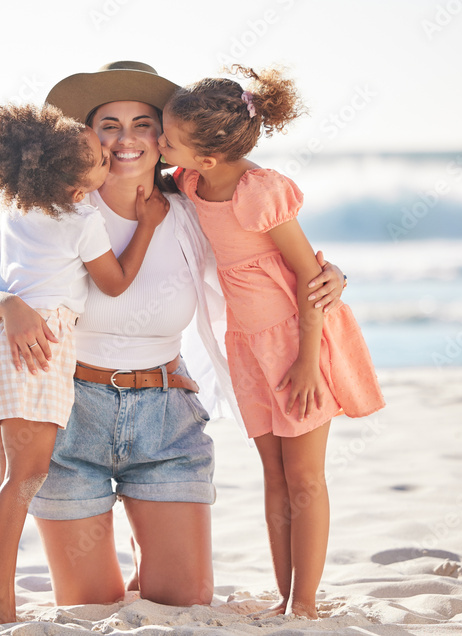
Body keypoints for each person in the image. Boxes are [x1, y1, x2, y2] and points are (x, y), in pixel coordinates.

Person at [0, 62, 347, 612]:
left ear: (166, 138)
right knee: (89, 607)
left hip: (165, 422)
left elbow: (265, 250)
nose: (127, 138)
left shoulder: (191, 210)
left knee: (182, 603)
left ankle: (152, 548)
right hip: (72, 421)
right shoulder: (54, 210)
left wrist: (329, 275)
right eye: (109, 123)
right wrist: (4, 305)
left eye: (143, 123)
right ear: (85, 134)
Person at [158, 66, 385, 618]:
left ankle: (304, 604)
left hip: (297, 342)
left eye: (166, 138)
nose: (158, 144)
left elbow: (312, 280)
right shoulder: (190, 181)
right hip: (246, 346)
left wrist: (310, 363)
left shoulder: (260, 192)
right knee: (274, 475)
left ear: (208, 157)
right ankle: (285, 596)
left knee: (304, 475)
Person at [0, 102, 168, 624]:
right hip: (40, 342)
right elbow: (115, 283)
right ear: (77, 185)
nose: (109, 159)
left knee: (11, 472)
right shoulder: (82, 217)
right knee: (27, 474)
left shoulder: (16, 211)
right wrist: (146, 225)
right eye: (100, 158)